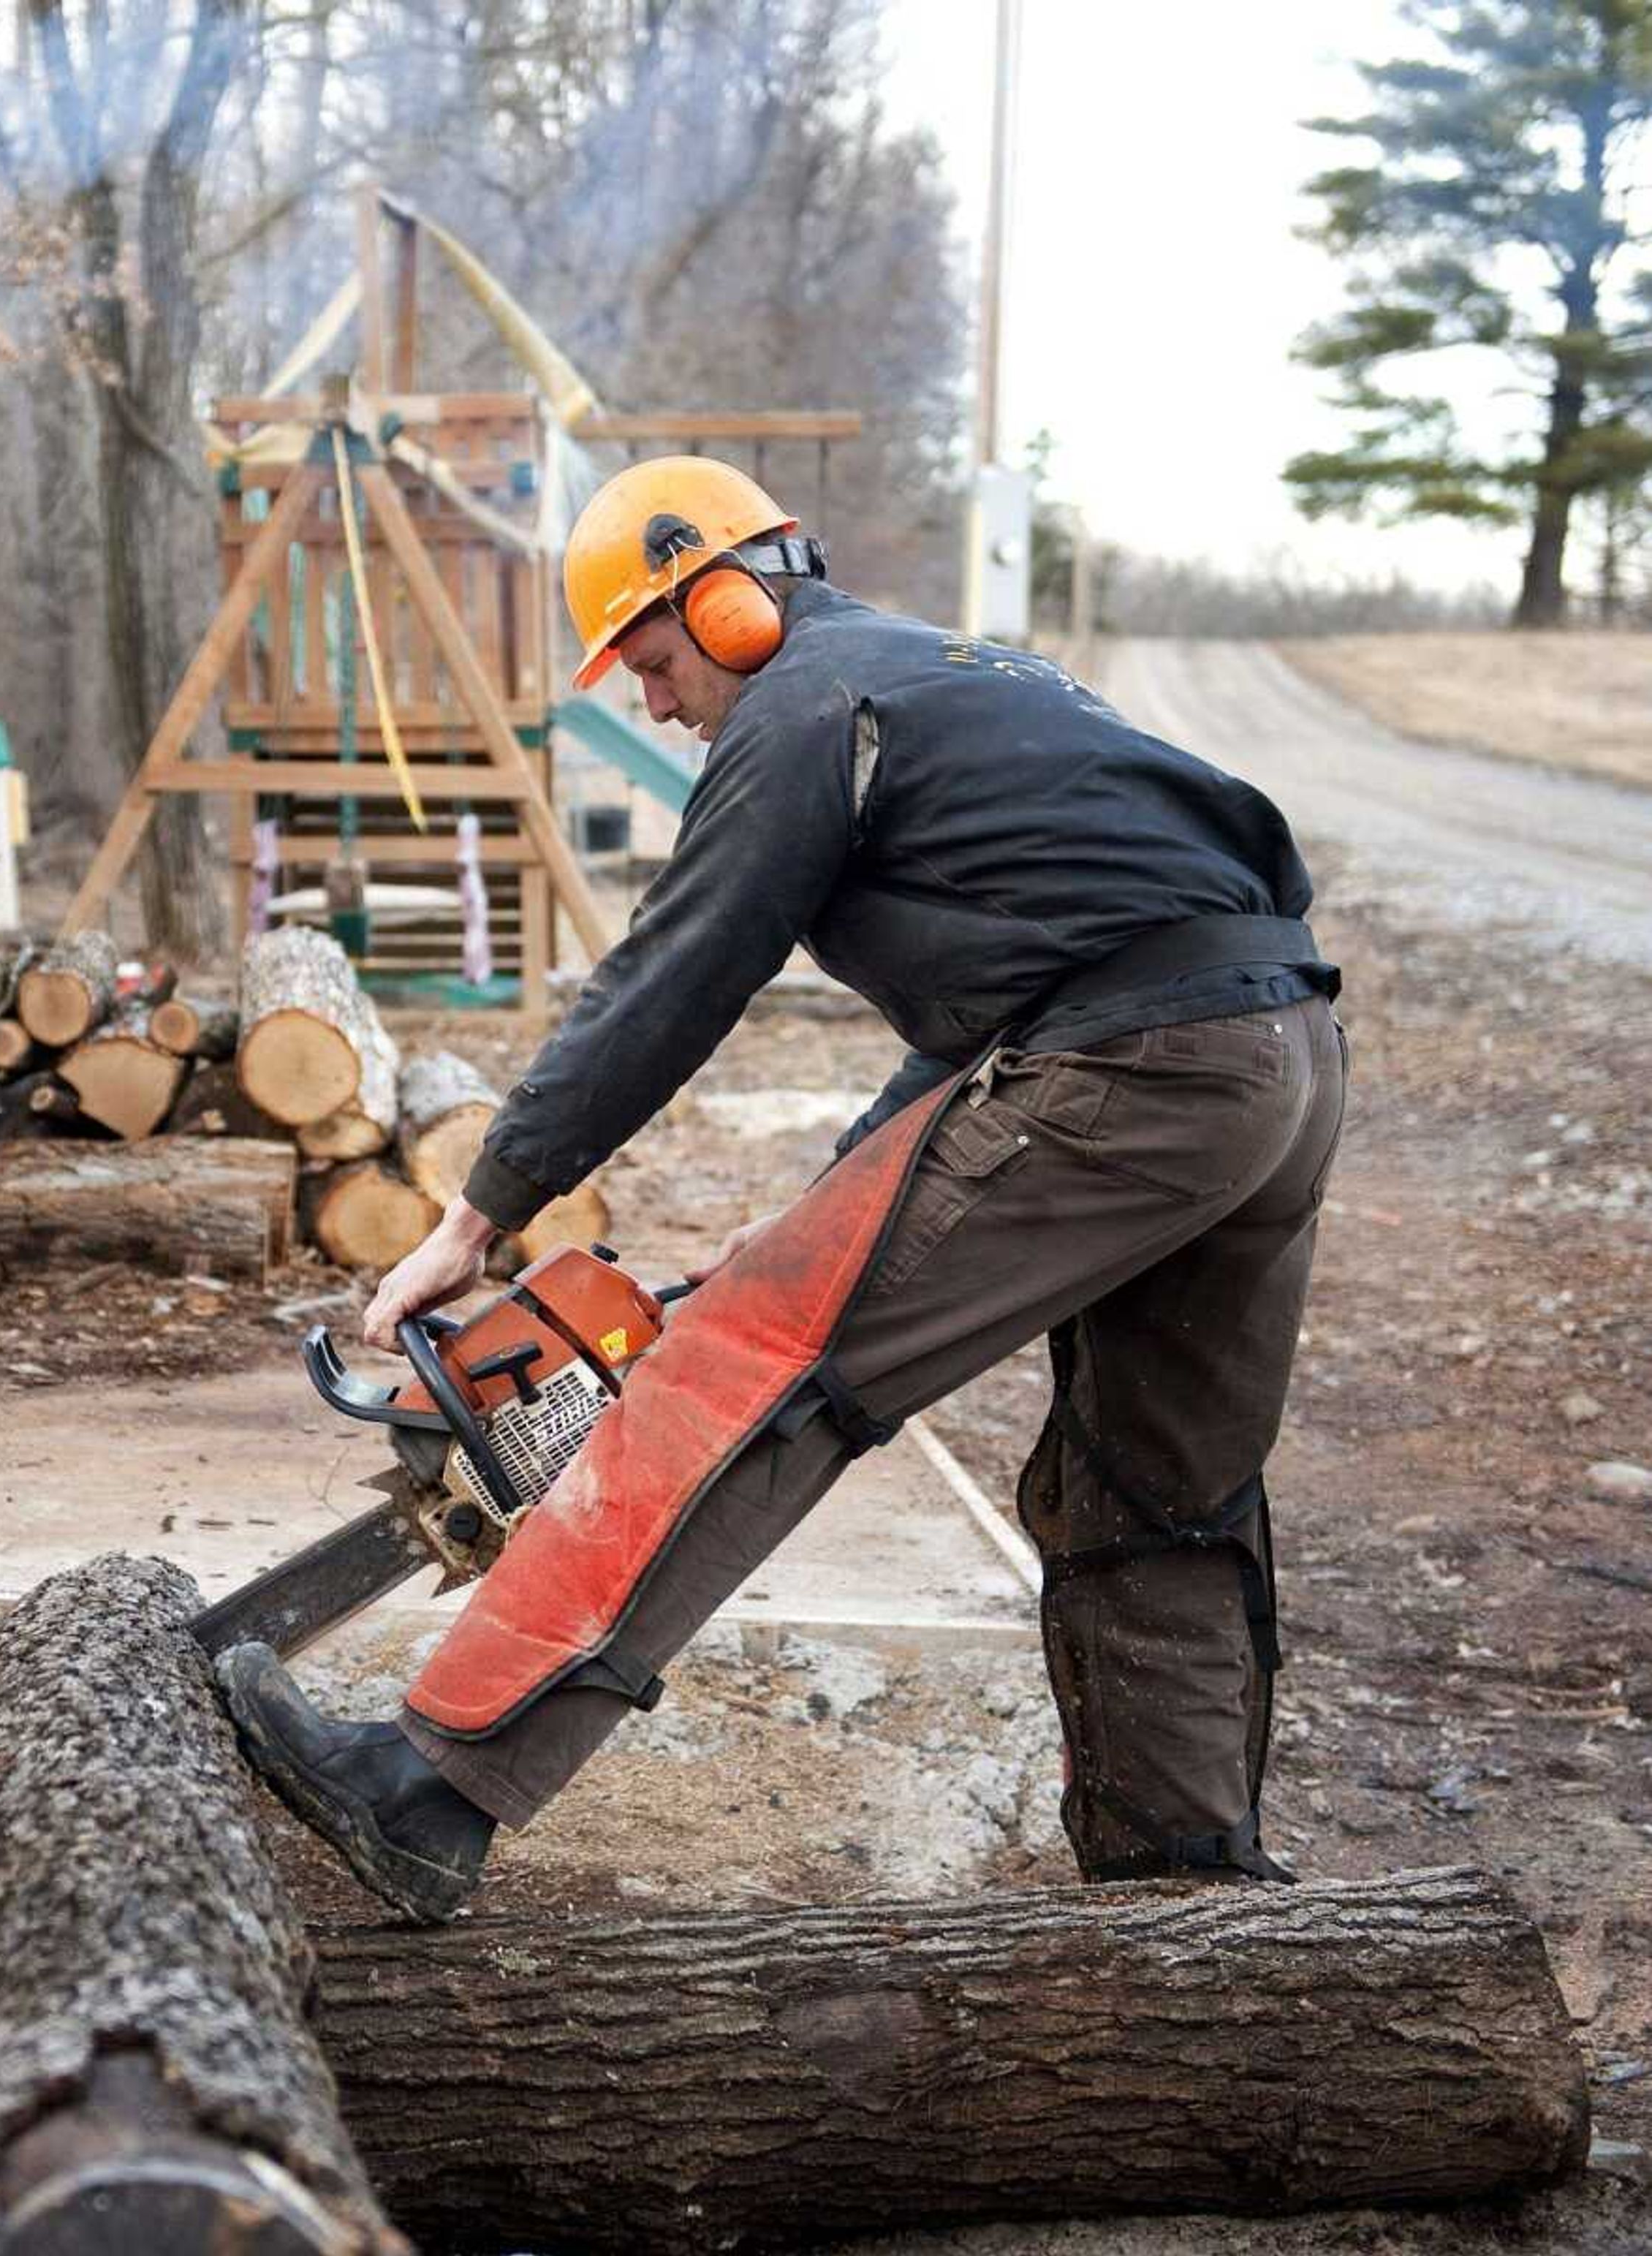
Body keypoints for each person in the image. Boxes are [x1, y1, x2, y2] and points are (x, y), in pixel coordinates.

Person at [217, 455, 1346, 1923]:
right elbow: (985, 1026)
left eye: (657, 658)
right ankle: (1188, 1896)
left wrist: (475, 1212)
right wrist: (825, 1203)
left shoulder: (804, 704)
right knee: (1159, 1486)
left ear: (731, 599)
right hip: (1280, 1060)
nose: (655, 702)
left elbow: (674, 975)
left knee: (744, 1366)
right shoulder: (963, 675)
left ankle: (435, 1790)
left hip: (1135, 1068)